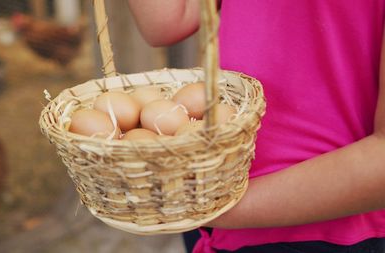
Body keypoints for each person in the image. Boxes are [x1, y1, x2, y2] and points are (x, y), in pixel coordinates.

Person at [127, 1, 385, 253]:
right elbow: (168, 20)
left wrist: (214, 207)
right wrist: (205, 204)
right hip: (216, 192)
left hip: (325, 228)